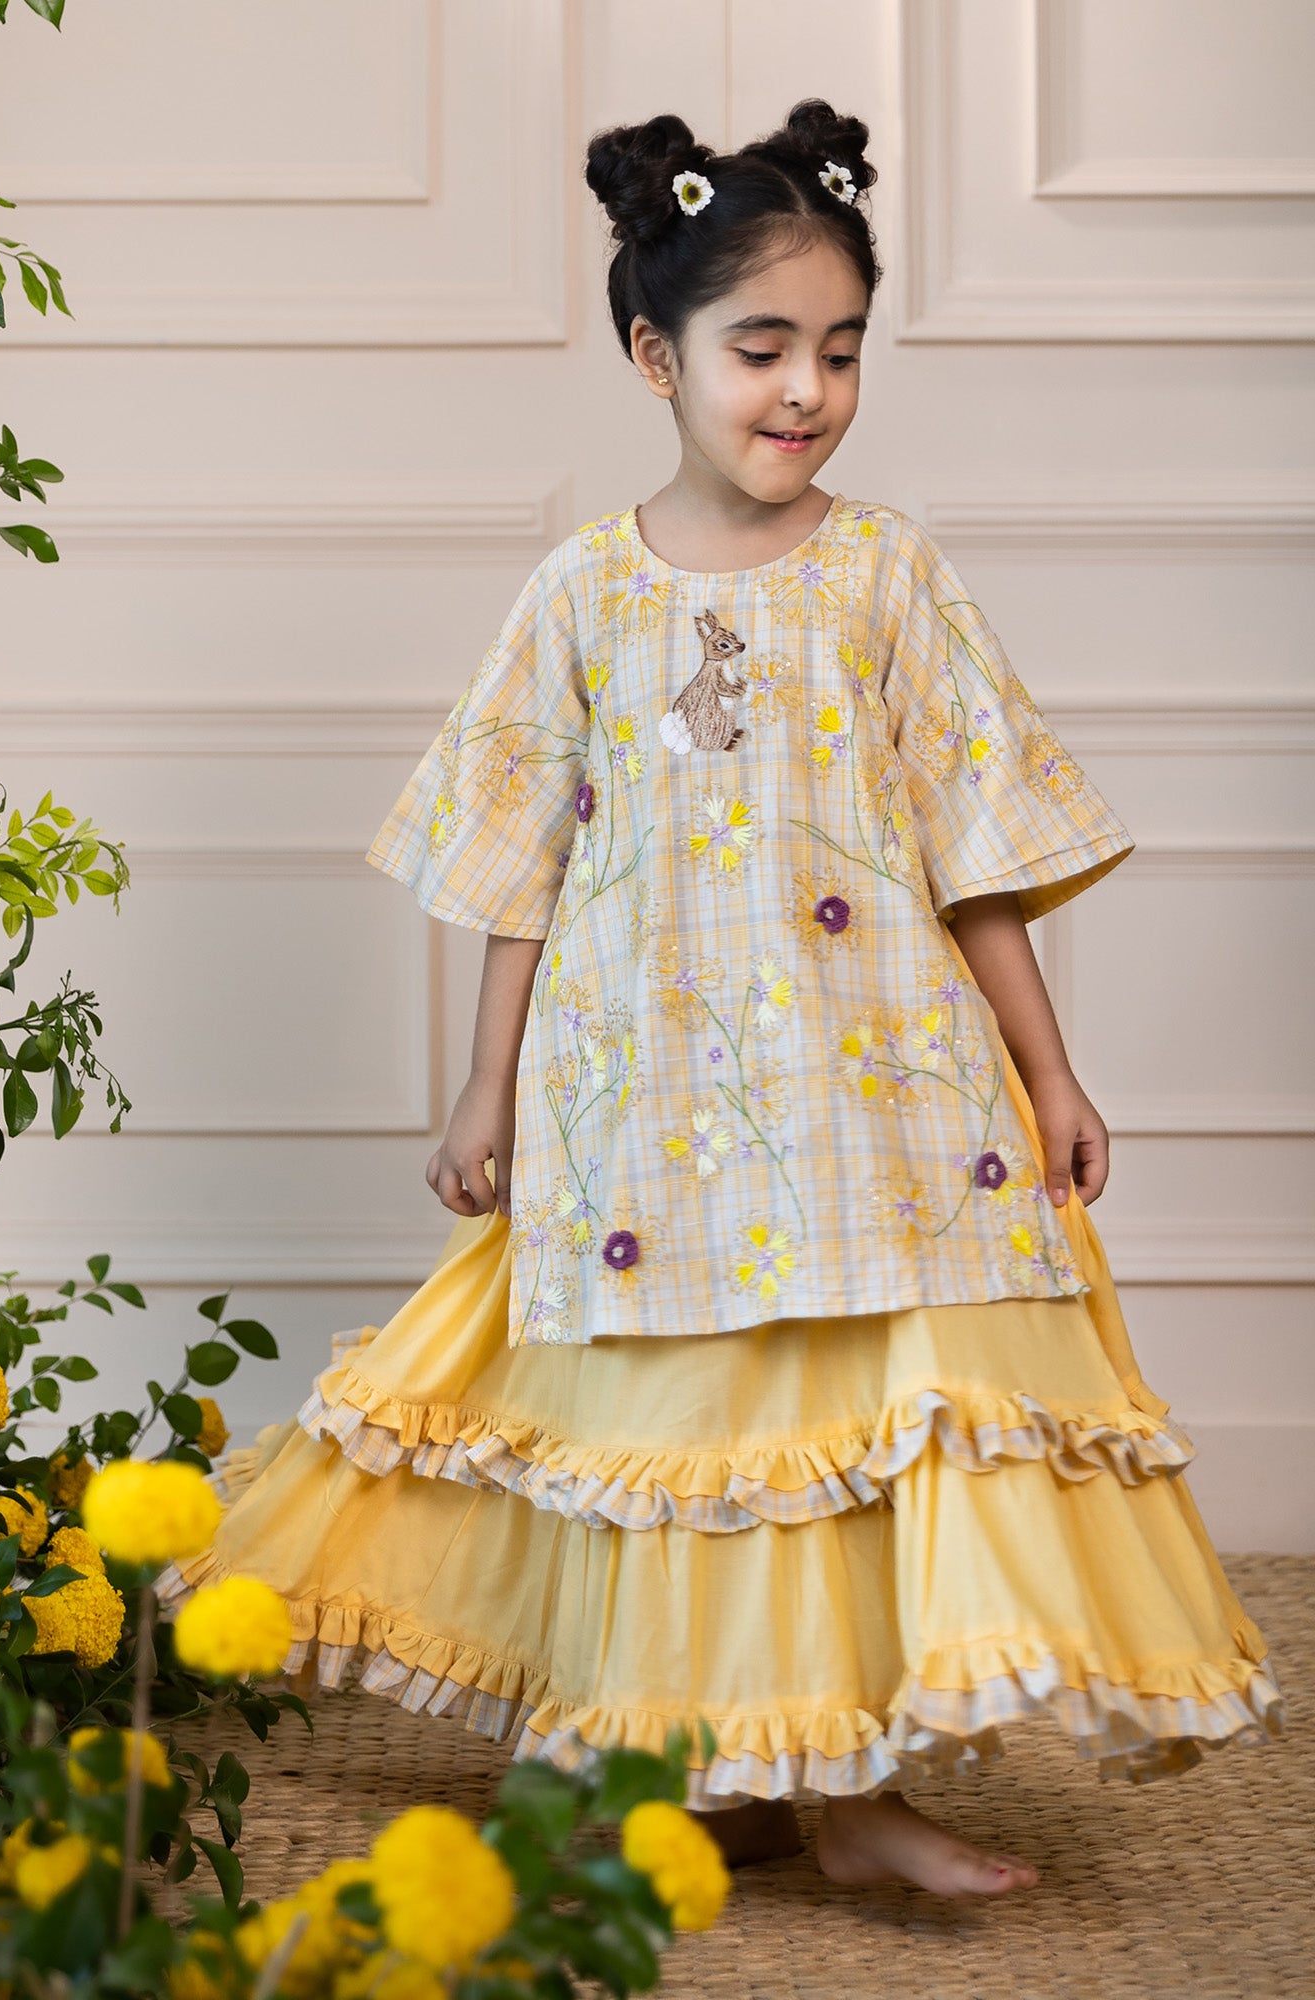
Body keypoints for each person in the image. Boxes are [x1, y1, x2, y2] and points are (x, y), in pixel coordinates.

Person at [178, 101, 1282, 1897]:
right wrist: (485, 1089)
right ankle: (650, 1783)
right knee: (683, 1432)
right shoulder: (582, 594)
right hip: (646, 1099)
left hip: (878, 1095)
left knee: (846, 1426)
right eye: (760, 347)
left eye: (840, 352)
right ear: (654, 352)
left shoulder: (886, 572)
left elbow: (974, 850)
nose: (806, 391)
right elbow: (515, 864)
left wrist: (1051, 1070)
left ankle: (854, 1803)